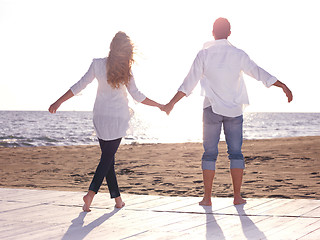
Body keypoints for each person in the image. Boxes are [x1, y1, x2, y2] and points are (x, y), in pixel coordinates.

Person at [163, 18, 293, 206]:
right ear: (229, 33)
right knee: (236, 154)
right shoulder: (238, 54)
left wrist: (171, 103)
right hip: (234, 111)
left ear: (213, 32)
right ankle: (237, 197)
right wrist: (282, 86)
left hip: (211, 109)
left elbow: (188, 83)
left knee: (209, 154)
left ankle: (207, 198)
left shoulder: (204, 54)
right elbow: (259, 73)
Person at [49, 31, 163, 211]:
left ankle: (118, 200)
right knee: (107, 158)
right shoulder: (126, 70)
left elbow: (80, 85)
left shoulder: (98, 64)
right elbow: (137, 96)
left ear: (112, 47)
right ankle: (90, 194)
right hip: (118, 119)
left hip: (101, 117)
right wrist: (159, 105)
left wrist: (59, 101)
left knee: (108, 158)